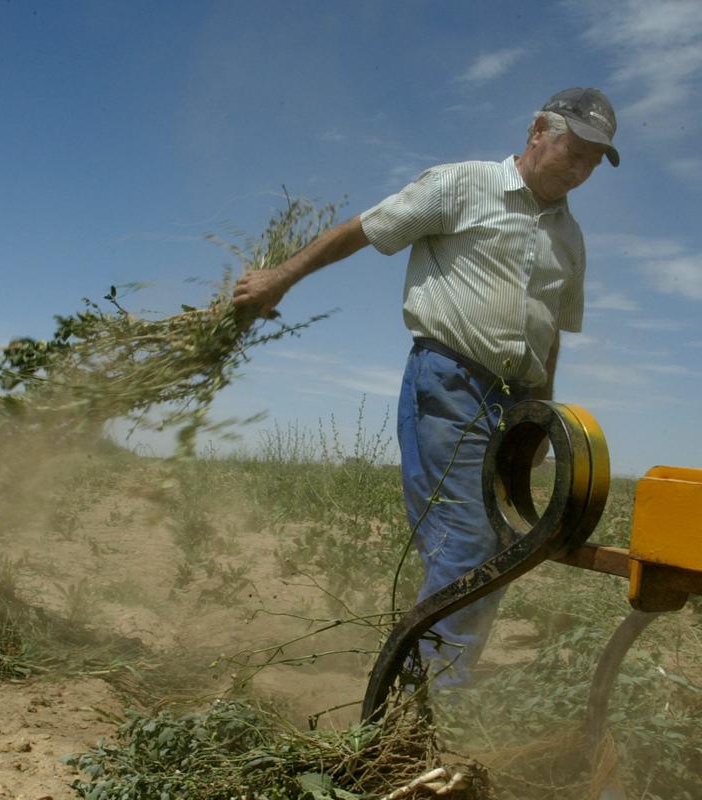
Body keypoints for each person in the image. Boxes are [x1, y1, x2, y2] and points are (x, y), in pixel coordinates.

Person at [232, 87, 620, 687]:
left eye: (596, 161)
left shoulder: (570, 238)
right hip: (450, 383)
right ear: (539, 130)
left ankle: (434, 684)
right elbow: (363, 229)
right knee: (465, 543)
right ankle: (419, 712)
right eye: (578, 148)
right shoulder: (461, 185)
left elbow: (549, 333)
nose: (583, 167)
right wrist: (280, 279)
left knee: (500, 550)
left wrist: (543, 417)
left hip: (515, 407)